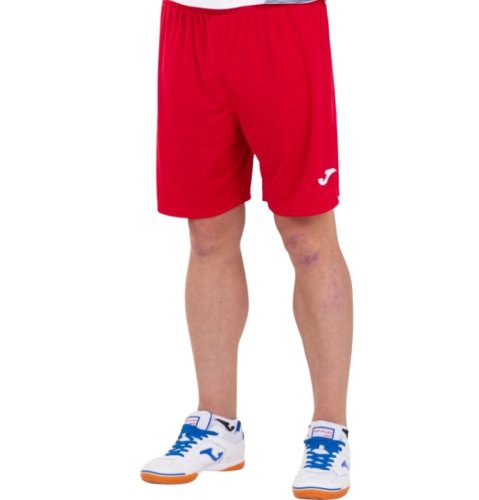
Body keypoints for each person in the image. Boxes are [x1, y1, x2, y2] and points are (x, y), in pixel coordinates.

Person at [140, 0, 353, 498]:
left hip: (281, 22)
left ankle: (330, 431)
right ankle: (218, 427)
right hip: (189, 23)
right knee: (206, 232)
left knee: (306, 234)